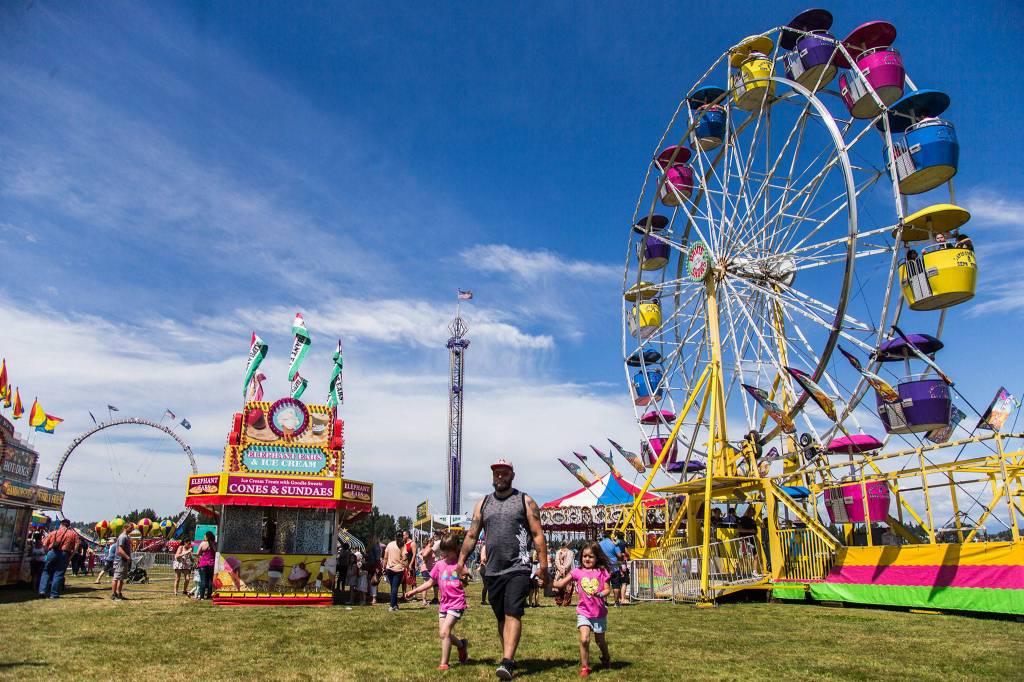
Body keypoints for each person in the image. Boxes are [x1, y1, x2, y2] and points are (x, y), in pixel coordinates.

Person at [457, 458, 547, 680]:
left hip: (519, 566)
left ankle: (507, 661)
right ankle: (509, 657)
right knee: (501, 617)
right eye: (497, 472)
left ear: (512, 475)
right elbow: (471, 535)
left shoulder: (524, 501)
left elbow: (537, 534)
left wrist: (543, 566)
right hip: (493, 569)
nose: (500, 476)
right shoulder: (483, 503)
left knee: (513, 611)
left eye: (504, 473)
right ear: (492, 476)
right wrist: (460, 563)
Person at [405, 533, 470, 670]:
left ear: (456, 549)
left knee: (445, 632)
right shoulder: (439, 565)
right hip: (444, 604)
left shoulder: (459, 565)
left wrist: (464, 579)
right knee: (443, 633)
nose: (445, 553)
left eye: (448, 550)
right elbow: (430, 582)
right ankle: (461, 645)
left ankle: (444, 663)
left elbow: (464, 583)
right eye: (443, 550)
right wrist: (414, 591)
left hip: (456, 603)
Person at [552, 542, 612, 677]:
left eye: (591, 556)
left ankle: (606, 657)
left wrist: (601, 594)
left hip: (599, 613)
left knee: (600, 641)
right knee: (584, 639)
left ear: (597, 557)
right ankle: (585, 667)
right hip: (583, 612)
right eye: (584, 556)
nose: (587, 559)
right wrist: (547, 582)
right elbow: (561, 583)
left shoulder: (602, 571)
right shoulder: (577, 571)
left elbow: (607, 589)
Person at [39, 518, 79, 599]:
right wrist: (71, 556)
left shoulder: (53, 532)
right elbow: (76, 546)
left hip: (52, 552)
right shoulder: (73, 534)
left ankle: (42, 591)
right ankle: (54, 594)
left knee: (46, 571)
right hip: (65, 553)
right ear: (68, 525)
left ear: (61, 524)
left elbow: (44, 544)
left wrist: (47, 553)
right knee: (59, 573)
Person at [598, 531, 624, 607]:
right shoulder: (614, 543)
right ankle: (616, 602)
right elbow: (619, 555)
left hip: (604, 567)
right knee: (616, 585)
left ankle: (604, 603)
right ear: (610, 535)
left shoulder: (599, 544)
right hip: (614, 567)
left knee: (604, 585)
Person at [110, 521, 135, 601]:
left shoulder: (127, 537)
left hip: (123, 560)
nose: (132, 530)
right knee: (116, 578)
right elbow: (120, 550)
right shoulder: (122, 537)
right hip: (120, 560)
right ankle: (114, 595)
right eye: (131, 528)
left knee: (121, 579)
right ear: (125, 528)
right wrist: (127, 557)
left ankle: (119, 594)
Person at [383, 529, 407, 611]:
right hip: (399, 569)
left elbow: (385, 557)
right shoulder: (403, 545)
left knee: (393, 587)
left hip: (389, 568)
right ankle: (392, 605)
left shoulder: (389, 544)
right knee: (395, 587)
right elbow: (404, 557)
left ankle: (395, 604)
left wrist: (383, 567)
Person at [196, 530, 216, 600]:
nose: (204, 536)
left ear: (207, 536)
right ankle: (209, 595)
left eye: (205, 535)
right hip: (212, 564)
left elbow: (198, 553)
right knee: (210, 580)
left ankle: (201, 596)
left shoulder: (203, 543)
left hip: (203, 564)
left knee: (203, 580)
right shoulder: (214, 544)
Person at [420, 536, 439, 605]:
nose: (434, 543)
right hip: (428, 569)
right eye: (433, 542)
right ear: (430, 542)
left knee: (435, 584)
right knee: (426, 584)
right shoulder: (429, 548)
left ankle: (435, 599)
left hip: (430, 568)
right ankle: (424, 600)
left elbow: (421, 554)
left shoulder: (424, 548)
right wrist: (425, 560)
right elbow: (424, 555)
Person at [402, 530, 418, 598]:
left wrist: (411, 564)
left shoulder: (412, 543)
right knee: (403, 580)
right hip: (404, 564)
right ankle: (404, 595)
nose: (402, 536)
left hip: (411, 564)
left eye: (403, 535)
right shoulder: (403, 543)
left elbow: (414, 554)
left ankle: (414, 595)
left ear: (407, 535)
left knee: (412, 580)